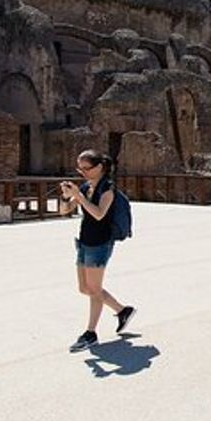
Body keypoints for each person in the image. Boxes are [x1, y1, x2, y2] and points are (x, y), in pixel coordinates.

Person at [59, 150, 136, 353]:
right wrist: (67, 197)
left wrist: (79, 197)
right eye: (80, 169)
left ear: (99, 167)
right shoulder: (85, 187)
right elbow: (63, 211)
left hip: (100, 243)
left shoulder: (107, 189)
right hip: (84, 241)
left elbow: (99, 214)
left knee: (94, 289)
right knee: (84, 288)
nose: (83, 173)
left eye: (86, 168)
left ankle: (90, 333)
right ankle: (122, 310)